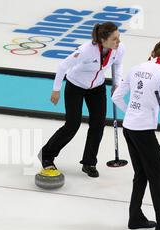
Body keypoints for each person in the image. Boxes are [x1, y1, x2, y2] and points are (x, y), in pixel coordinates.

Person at [112, 40, 160, 230]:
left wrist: (130, 113)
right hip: (143, 131)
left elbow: (116, 97)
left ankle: (135, 217)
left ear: (151, 52)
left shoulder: (135, 69)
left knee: (141, 174)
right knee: (158, 176)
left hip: (129, 128)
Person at [39, 22, 125, 178]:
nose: (118, 42)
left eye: (118, 37)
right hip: (76, 86)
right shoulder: (87, 50)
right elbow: (62, 66)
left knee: (98, 124)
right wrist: (56, 90)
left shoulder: (119, 49)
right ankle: (47, 155)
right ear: (103, 40)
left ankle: (89, 162)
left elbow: (118, 65)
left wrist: (116, 83)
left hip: (97, 88)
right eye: (114, 39)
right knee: (72, 125)